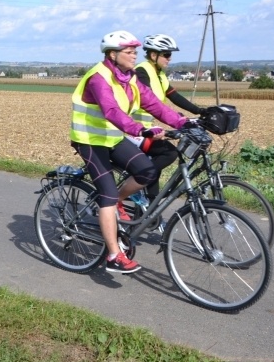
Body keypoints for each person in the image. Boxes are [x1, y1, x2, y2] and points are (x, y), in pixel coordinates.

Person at [70, 30, 188, 274]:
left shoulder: (129, 77)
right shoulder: (98, 77)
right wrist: (140, 130)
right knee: (108, 194)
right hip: (90, 141)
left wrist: (183, 123)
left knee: (146, 171)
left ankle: (118, 204)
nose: (135, 55)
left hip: (112, 138)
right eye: (129, 51)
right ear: (113, 54)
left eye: (135, 51)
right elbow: (111, 111)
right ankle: (114, 255)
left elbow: (153, 104)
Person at [132, 34, 203, 203]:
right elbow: (152, 102)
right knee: (168, 153)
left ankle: (149, 204)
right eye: (166, 54)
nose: (170, 58)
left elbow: (174, 96)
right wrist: (178, 119)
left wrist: (200, 111)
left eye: (170, 54)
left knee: (157, 162)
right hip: (134, 129)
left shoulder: (159, 74)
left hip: (147, 129)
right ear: (153, 55)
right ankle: (135, 185)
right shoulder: (142, 72)